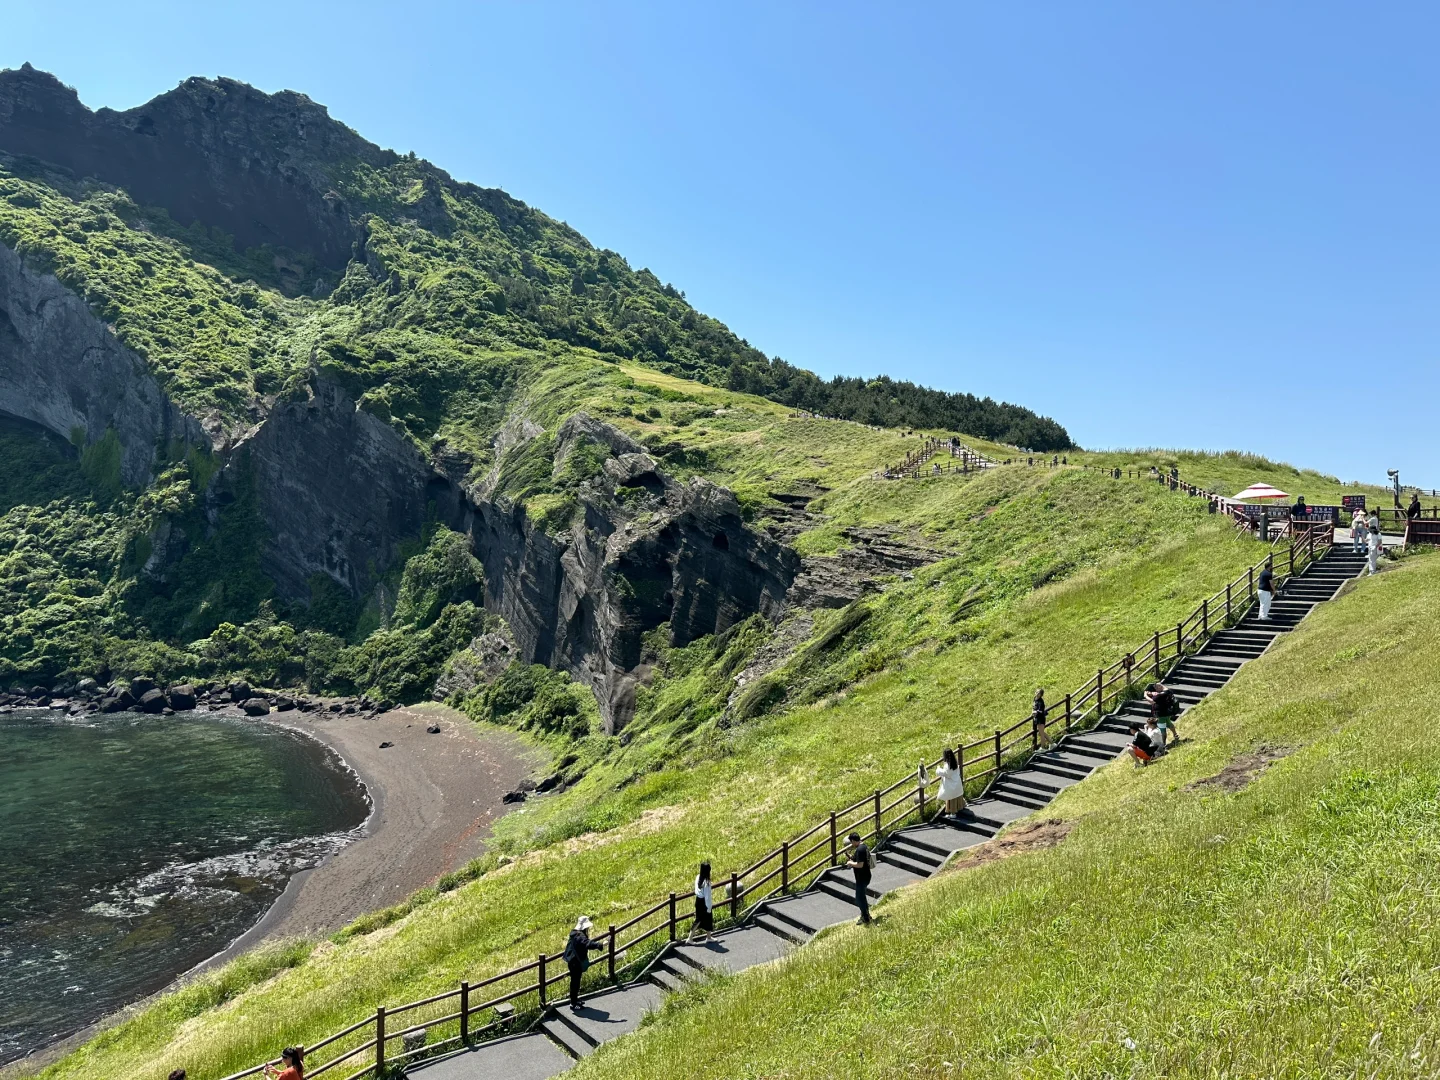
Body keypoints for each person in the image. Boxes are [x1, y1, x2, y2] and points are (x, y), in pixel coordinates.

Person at [562, 916, 605, 1008]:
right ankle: (573, 1003)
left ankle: (575, 1000)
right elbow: (587, 943)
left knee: (575, 981)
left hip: (573, 961)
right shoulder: (579, 936)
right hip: (575, 962)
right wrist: (600, 944)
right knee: (575, 982)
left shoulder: (574, 934)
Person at [845, 833, 873, 925]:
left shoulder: (860, 849)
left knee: (859, 898)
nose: (851, 844)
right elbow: (858, 859)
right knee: (862, 897)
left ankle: (866, 918)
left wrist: (850, 863)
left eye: (851, 842)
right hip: (865, 876)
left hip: (863, 877)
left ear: (853, 841)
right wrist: (850, 857)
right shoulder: (863, 847)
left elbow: (860, 865)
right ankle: (865, 915)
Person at [936, 748, 965, 816]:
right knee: (956, 796)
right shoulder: (955, 762)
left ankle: (953, 813)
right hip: (957, 783)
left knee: (951, 798)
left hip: (951, 786)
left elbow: (946, 773)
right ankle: (960, 807)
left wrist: (938, 769)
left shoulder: (947, 765)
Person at [689, 862, 714, 943]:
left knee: (699, 919)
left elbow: (696, 889)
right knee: (706, 918)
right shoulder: (707, 882)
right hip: (704, 902)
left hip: (698, 900)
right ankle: (690, 939)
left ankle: (708, 937)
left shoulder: (698, 877)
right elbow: (707, 897)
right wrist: (709, 907)